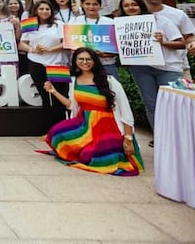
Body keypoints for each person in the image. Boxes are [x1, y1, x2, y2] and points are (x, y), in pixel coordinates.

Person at [41, 48, 143, 176]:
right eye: (81, 59)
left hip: (106, 126)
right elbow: (72, 105)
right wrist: (53, 92)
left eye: (88, 59)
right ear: (75, 61)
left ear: (94, 61)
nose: (85, 62)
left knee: (96, 159)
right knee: (56, 133)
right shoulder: (74, 80)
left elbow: (125, 111)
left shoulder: (109, 80)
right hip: (84, 123)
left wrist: (128, 138)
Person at [118, 0, 184, 134]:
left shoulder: (160, 20)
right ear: (122, 9)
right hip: (141, 69)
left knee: (174, 105)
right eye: (126, 6)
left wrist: (163, 42)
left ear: (141, 6)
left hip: (168, 68)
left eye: (134, 4)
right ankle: (160, 139)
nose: (131, 8)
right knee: (151, 105)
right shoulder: (120, 25)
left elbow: (181, 43)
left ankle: (178, 138)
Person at [19, 0, 66, 131]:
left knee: (59, 97)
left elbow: (66, 43)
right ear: (36, 10)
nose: (44, 11)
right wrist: (32, 49)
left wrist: (50, 49)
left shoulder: (58, 24)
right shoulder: (30, 24)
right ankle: (48, 130)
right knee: (45, 97)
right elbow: (22, 43)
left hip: (57, 63)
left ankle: (61, 130)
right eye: (41, 9)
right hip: (36, 63)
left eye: (47, 9)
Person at [70, 0, 117, 78]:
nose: (91, 7)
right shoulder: (75, 21)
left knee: (112, 89)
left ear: (100, 6)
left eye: (95, 4)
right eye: (87, 4)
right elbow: (71, 46)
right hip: (83, 66)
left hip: (106, 64)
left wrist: (105, 54)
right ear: (82, 5)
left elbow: (116, 47)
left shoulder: (110, 22)